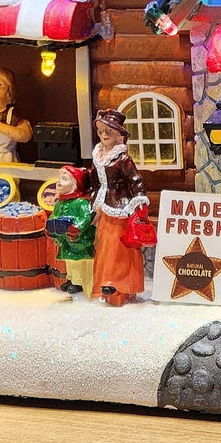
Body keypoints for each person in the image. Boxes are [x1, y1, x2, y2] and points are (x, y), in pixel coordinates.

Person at [88, 108, 152, 307]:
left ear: (119, 134)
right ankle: (105, 282)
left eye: (109, 131)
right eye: (101, 131)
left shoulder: (123, 159)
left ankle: (117, 283)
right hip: (103, 206)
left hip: (120, 207)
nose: (104, 135)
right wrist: (92, 201)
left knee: (118, 246)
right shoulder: (98, 155)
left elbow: (136, 181)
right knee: (104, 245)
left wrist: (139, 201)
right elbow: (94, 181)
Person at [45, 164, 96, 297]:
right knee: (69, 261)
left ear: (75, 184)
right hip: (66, 240)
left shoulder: (81, 203)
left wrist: (77, 228)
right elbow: (54, 216)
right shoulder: (60, 203)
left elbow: (86, 217)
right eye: (59, 178)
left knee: (80, 261)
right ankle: (72, 279)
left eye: (65, 179)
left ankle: (81, 283)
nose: (59, 182)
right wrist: (51, 227)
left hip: (80, 241)